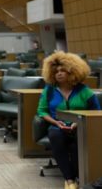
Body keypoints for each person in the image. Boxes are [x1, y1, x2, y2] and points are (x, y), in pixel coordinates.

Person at [37, 51, 100, 189]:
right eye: (56, 71)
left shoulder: (85, 91)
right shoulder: (49, 90)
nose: (58, 74)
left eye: (63, 70)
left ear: (72, 72)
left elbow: (96, 112)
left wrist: (78, 123)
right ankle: (69, 179)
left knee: (78, 143)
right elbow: (42, 111)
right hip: (56, 126)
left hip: (80, 127)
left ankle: (79, 176)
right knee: (56, 137)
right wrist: (55, 122)